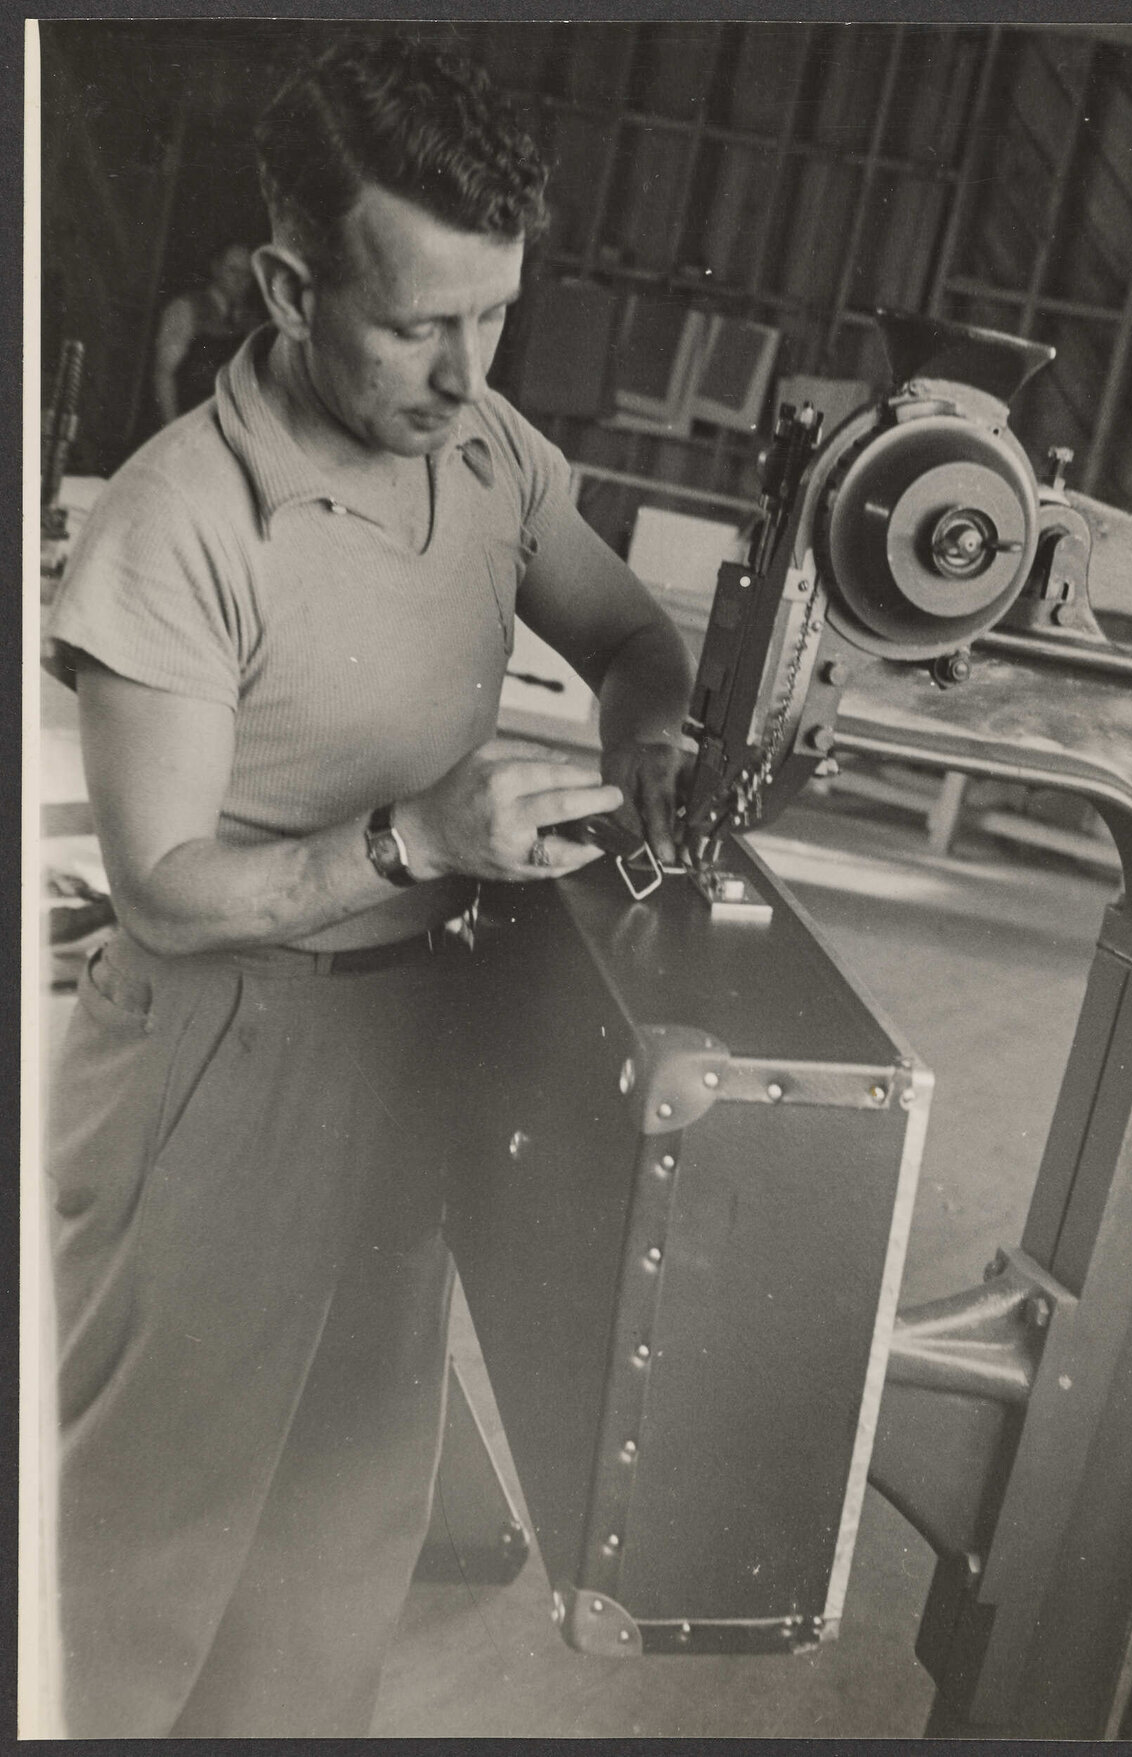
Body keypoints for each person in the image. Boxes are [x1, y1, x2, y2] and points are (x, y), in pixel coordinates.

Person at [43, 33, 692, 1739]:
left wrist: (652, 742)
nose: (467, 372)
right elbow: (163, 890)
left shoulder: (486, 455)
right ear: (287, 285)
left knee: (333, 1552)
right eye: (419, 326)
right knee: (134, 1570)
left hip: (410, 1048)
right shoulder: (180, 520)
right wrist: (416, 840)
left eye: (497, 316)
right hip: (215, 1059)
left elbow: (633, 636)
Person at [151, 241, 263, 425]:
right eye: (233, 270)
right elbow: (163, 374)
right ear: (216, 268)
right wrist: (175, 428)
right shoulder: (187, 308)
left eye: (247, 275)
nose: (240, 281)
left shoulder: (251, 322)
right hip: (184, 419)